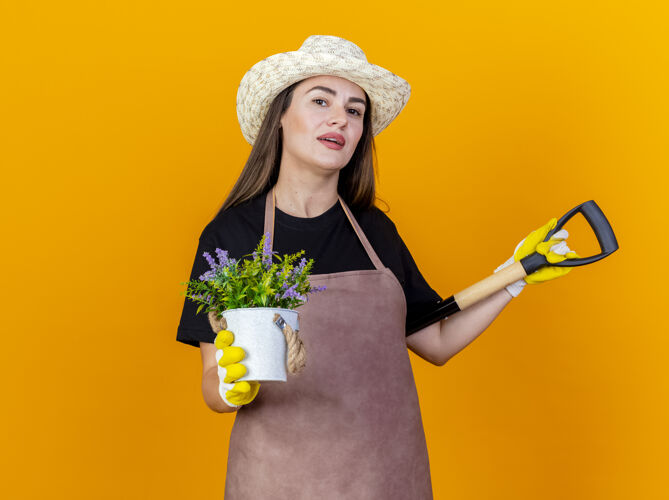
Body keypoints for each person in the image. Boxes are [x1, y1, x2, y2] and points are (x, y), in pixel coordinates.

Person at [176, 35, 579, 499]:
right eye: (320, 100)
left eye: (354, 110)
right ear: (280, 117)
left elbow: (438, 340)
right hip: (276, 482)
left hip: (386, 479)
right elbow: (212, 385)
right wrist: (233, 384)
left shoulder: (375, 232)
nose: (338, 118)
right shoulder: (231, 237)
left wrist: (514, 277)